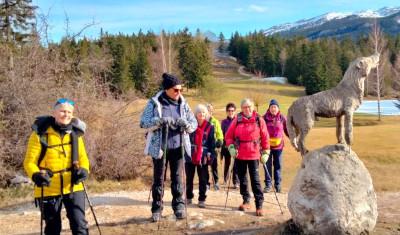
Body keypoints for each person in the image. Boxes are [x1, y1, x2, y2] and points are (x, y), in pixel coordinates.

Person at [23, 98, 90, 235]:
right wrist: (36, 175)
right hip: (48, 187)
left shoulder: (76, 134)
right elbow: (29, 162)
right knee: (53, 228)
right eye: (62, 111)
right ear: (54, 113)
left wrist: (84, 171)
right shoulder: (39, 135)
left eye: (69, 112)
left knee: (80, 226)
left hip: (73, 186)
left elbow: (83, 159)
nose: (66, 114)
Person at [140, 73, 197, 222]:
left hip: (178, 147)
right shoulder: (154, 103)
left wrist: (186, 124)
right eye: (176, 90)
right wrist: (158, 121)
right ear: (167, 89)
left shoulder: (183, 103)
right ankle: (157, 208)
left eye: (180, 90)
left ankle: (178, 206)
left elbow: (193, 123)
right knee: (159, 179)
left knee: (177, 178)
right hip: (160, 148)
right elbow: (143, 122)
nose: (179, 93)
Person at [225, 98, 270, 216]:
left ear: (253, 107)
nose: (247, 109)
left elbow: (265, 137)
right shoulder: (237, 120)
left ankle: (259, 204)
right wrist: (231, 148)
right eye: (244, 107)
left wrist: (266, 152)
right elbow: (228, 136)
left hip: (254, 154)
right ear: (242, 109)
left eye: (249, 106)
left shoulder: (259, 120)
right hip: (240, 154)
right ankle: (246, 201)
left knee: (255, 180)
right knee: (243, 179)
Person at [186, 104, 216, 208]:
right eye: (199, 112)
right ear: (196, 114)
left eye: (203, 112)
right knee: (189, 177)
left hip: (203, 156)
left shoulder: (210, 126)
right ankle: (189, 196)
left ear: (206, 114)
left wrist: (212, 155)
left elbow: (212, 142)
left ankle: (202, 199)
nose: (201, 114)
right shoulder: (191, 125)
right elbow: (185, 139)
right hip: (190, 154)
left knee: (203, 178)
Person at [262, 99, 289, 193]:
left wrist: (293, 139)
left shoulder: (282, 118)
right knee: (267, 165)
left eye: (275, 107)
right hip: (267, 147)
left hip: (279, 147)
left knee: (278, 166)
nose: (273, 109)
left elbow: (287, 130)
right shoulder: (264, 118)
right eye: (272, 107)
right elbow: (260, 131)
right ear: (269, 108)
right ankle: (268, 185)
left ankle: (278, 185)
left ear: (278, 108)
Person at [220, 102, 239, 188]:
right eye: (229, 111)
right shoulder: (224, 122)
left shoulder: (238, 121)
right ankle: (225, 179)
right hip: (226, 146)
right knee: (227, 163)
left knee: (235, 164)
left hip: (236, 146)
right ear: (227, 112)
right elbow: (222, 134)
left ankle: (236, 182)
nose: (230, 112)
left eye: (232, 110)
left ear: (235, 111)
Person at [205, 103, 223, 191]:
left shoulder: (215, 122)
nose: (209, 112)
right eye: (207, 110)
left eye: (210, 110)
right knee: (204, 166)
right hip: (204, 147)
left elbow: (220, 133)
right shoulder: (201, 121)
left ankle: (216, 182)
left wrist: (220, 140)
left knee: (214, 166)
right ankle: (206, 183)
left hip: (214, 147)